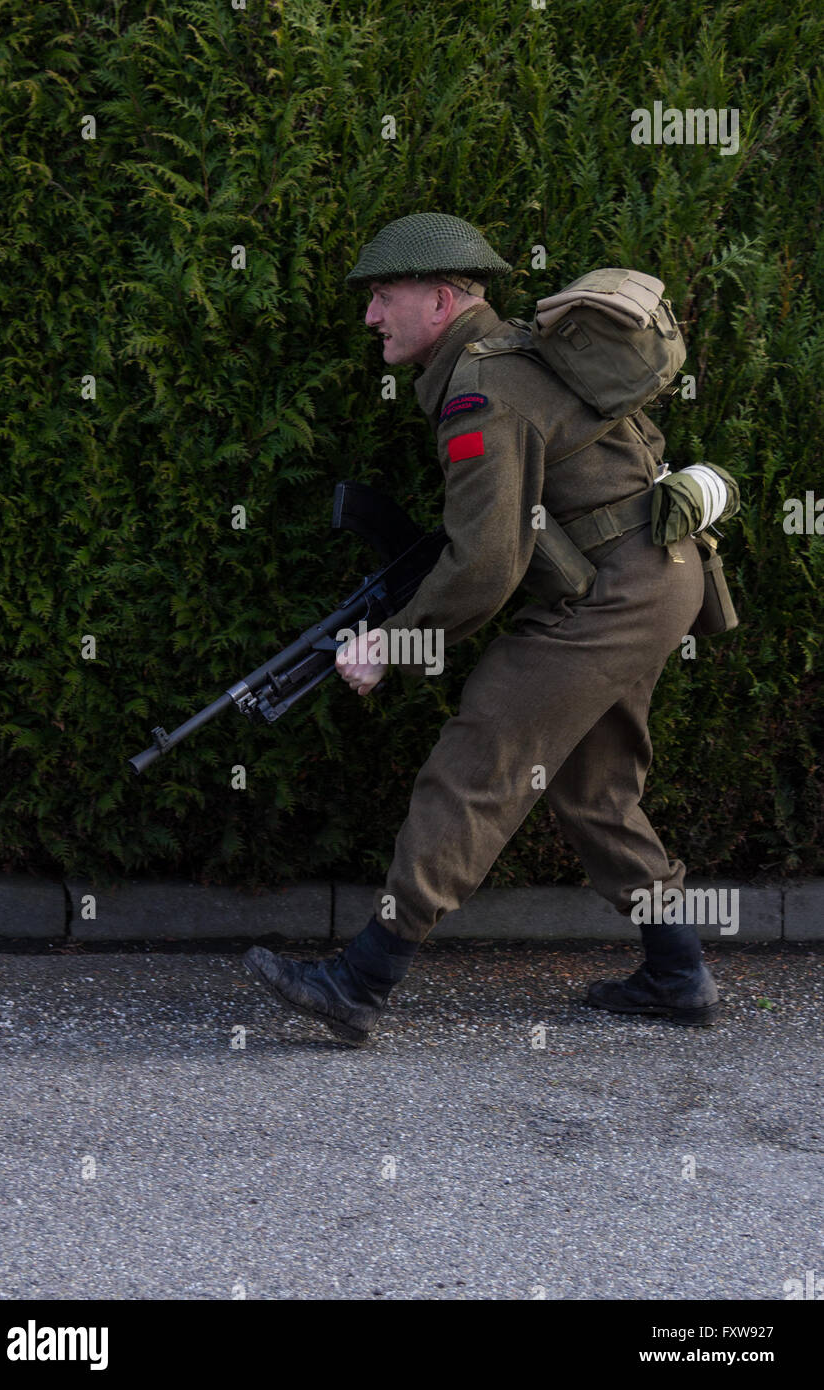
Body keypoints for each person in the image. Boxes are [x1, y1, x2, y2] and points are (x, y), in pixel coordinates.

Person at [245, 212, 719, 1045]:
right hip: (656, 576)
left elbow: (485, 564)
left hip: (610, 595)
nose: (369, 317)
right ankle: (678, 973)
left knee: (474, 765)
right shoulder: (510, 357)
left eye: (382, 297)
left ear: (439, 298)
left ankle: (361, 981)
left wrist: (391, 642)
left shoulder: (480, 391)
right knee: (592, 787)